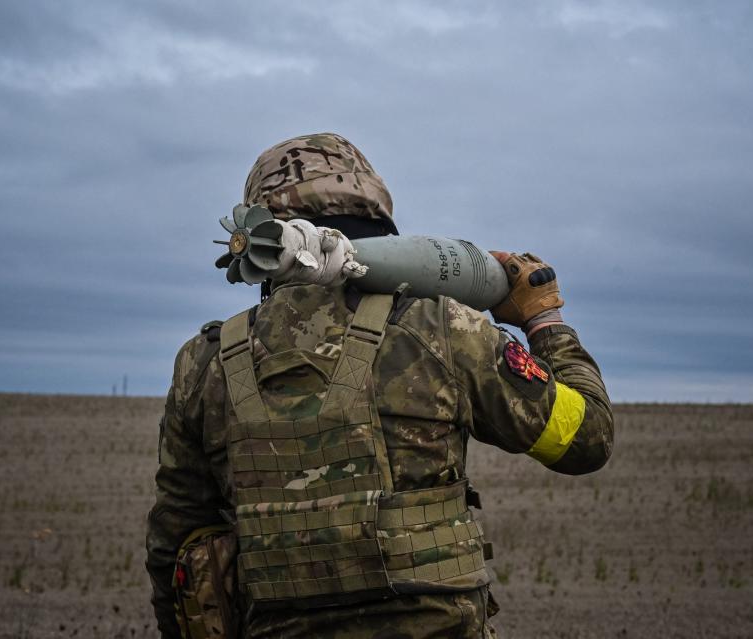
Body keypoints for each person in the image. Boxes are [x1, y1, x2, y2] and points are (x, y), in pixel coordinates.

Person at [145, 133, 614, 638]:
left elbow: (177, 542)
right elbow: (586, 440)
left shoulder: (206, 362)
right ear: (380, 224)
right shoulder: (442, 330)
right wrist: (546, 318)